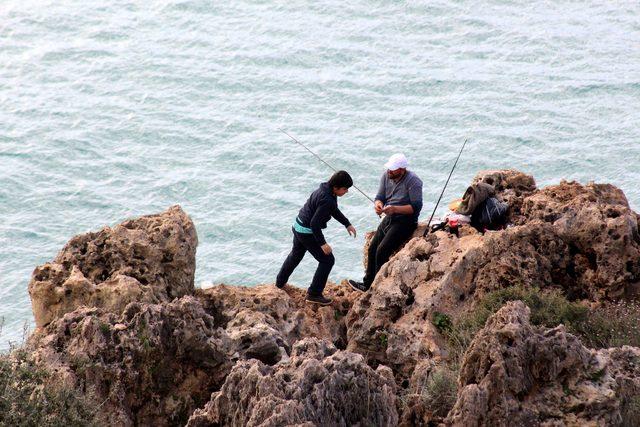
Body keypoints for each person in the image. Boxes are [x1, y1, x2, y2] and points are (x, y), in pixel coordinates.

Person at [276, 170, 357, 305]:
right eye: (345, 189)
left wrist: (347, 223)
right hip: (307, 231)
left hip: (298, 225)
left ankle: (279, 283)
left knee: (295, 255)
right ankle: (314, 294)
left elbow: (333, 210)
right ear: (336, 188)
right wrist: (323, 244)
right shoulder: (328, 199)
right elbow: (314, 224)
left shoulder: (325, 188)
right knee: (327, 260)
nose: (346, 192)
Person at [349, 153, 422, 292]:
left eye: (393, 169)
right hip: (389, 218)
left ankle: (378, 287)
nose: (389, 171)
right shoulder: (386, 176)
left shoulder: (413, 181)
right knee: (372, 249)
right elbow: (379, 197)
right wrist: (378, 205)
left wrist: (395, 209)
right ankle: (367, 284)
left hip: (405, 221)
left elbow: (415, 207)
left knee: (382, 251)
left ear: (402, 169)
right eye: (389, 168)